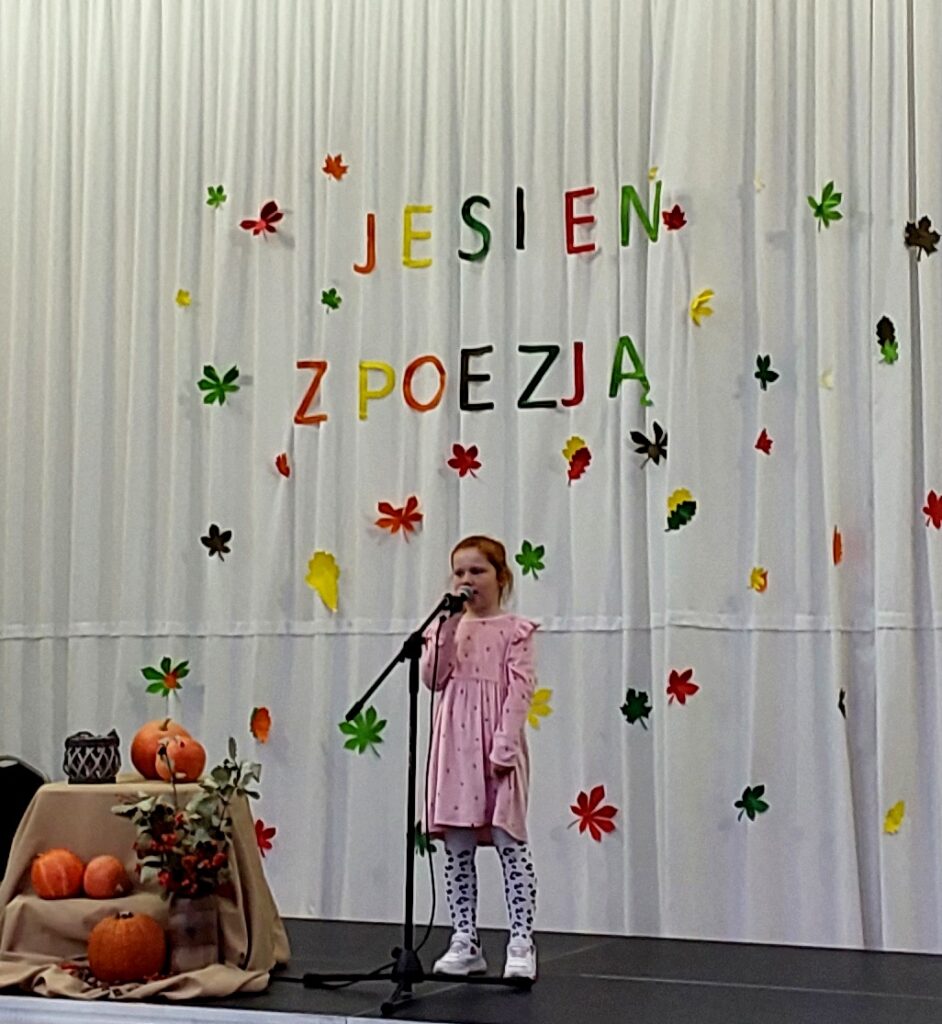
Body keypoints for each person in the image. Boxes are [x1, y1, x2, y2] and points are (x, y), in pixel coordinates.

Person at [421, 535, 539, 981]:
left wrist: (505, 744)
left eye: (477, 570)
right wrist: (447, 627)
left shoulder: (515, 630)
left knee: (511, 843)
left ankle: (521, 941)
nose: (466, 579)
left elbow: (520, 690)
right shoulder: (445, 628)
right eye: (459, 572)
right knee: (457, 848)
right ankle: (464, 939)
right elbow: (433, 678)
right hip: (455, 744)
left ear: (500, 576)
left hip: (496, 744)